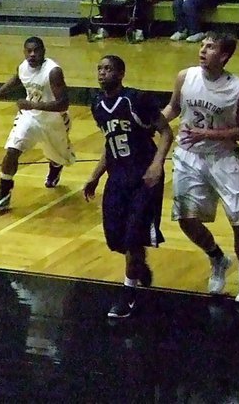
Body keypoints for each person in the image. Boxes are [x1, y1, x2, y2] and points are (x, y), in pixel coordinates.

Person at [161, 33, 239, 303]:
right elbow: (173, 107)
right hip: (189, 155)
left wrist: (208, 135)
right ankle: (217, 258)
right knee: (185, 218)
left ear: (224, 56)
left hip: (224, 157)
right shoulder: (185, 76)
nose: (203, 50)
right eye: (202, 45)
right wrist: (152, 123)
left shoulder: (238, 89)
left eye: (210, 47)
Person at [84, 56, 174, 318]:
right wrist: (95, 175)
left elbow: (166, 132)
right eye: (99, 68)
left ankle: (128, 293)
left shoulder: (137, 99)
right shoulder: (97, 105)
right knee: (115, 238)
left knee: (133, 236)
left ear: (121, 73)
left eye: (108, 68)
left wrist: (157, 165)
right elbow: (110, 142)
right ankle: (139, 264)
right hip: (117, 177)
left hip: (144, 178)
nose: (102, 73)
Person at [0, 37, 77, 212]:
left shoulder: (53, 71)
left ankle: (55, 166)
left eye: (36, 51)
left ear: (44, 51)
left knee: (58, 157)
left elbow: (63, 104)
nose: (32, 54)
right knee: (12, 150)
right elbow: (19, 77)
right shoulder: (23, 66)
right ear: (24, 52)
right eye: (29, 51)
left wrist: (33, 105)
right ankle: (4, 192)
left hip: (54, 121)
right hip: (29, 117)